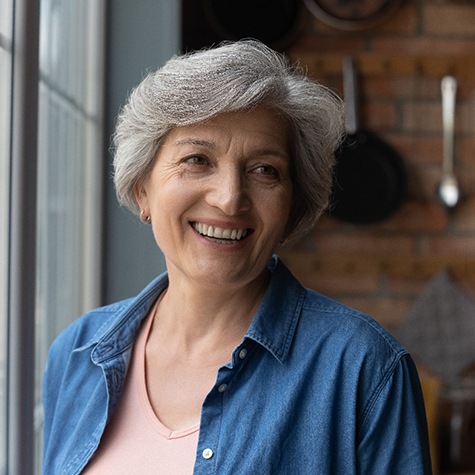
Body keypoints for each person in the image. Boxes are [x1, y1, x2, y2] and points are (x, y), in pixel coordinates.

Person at [42, 40, 432, 474]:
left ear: (291, 206)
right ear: (142, 188)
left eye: (265, 170)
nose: (230, 200)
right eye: (197, 159)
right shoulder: (77, 353)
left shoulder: (364, 368)